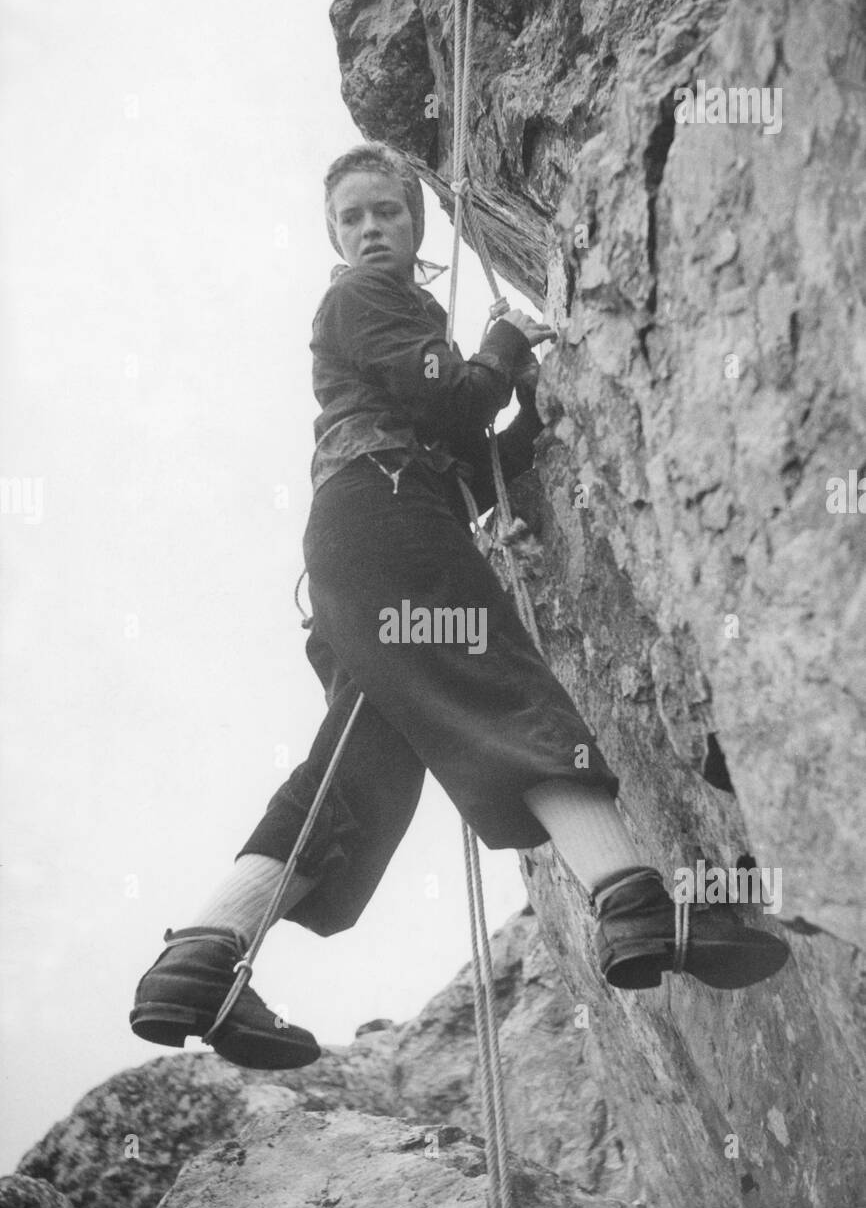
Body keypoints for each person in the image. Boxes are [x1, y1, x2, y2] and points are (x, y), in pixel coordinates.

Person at [130, 143, 788, 1070]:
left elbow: (475, 461)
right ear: (333, 234)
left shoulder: (391, 318)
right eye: (353, 217)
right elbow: (453, 400)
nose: (371, 230)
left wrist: (530, 409)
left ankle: (201, 961)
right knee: (503, 690)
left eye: (387, 213)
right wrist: (503, 350)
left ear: (417, 222)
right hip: (388, 520)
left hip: (366, 538)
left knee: (359, 771)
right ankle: (634, 902)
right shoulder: (367, 298)